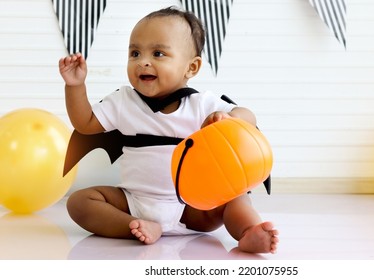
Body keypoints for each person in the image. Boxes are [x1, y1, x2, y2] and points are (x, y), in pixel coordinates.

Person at [58, 6, 278, 254]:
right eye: (135, 53)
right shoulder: (123, 101)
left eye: (158, 53)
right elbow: (85, 123)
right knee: (79, 202)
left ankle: (248, 231)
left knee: (235, 198)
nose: (143, 61)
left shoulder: (200, 104)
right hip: (134, 202)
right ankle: (135, 226)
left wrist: (229, 118)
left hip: (193, 206)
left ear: (191, 68)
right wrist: (75, 86)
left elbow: (248, 116)